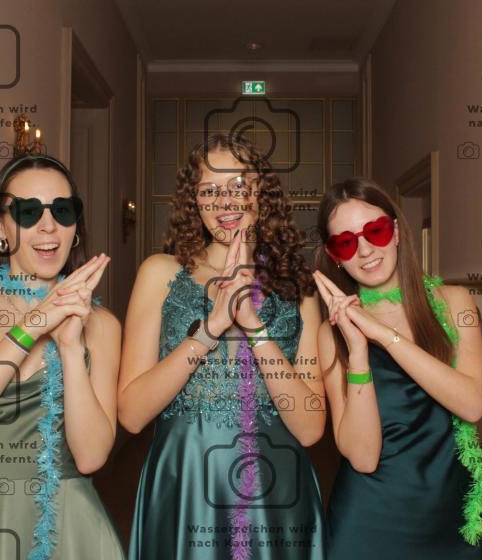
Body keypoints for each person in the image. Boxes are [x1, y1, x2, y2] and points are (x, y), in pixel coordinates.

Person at [119, 134, 326, 559]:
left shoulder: (298, 288)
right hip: (185, 486)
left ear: (261, 193)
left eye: (238, 185)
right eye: (209, 189)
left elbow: (310, 428)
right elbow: (132, 414)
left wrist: (255, 328)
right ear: (194, 202)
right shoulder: (160, 273)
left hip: (276, 494)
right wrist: (209, 330)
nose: (224, 200)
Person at [0, 154, 125, 559]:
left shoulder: (101, 325)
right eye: (28, 211)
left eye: (62, 211)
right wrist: (32, 326)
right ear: (1, 227)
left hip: (75, 533)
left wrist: (70, 347)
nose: (48, 225)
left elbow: (90, 458)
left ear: (75, 227)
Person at [314, 178, 482, 559]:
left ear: (395, 232)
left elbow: (472, 404)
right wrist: (359, 351)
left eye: (375, 231)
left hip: (452, 522)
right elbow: (363, 457)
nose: (365, 250)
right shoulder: (332, 334)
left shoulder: (454, 302)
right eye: (346, 242)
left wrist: (384, 335)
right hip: (368, 523)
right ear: (335, 256)